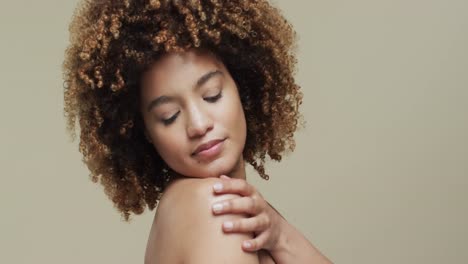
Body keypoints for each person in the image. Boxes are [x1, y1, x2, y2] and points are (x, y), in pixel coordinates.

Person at [63, 0, 332, 263]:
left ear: (243, 85)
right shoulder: (215, 208)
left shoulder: (237, 209)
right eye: (169, 116)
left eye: (211, 95)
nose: (199, 125)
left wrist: (282, 236)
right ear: (145, 132)